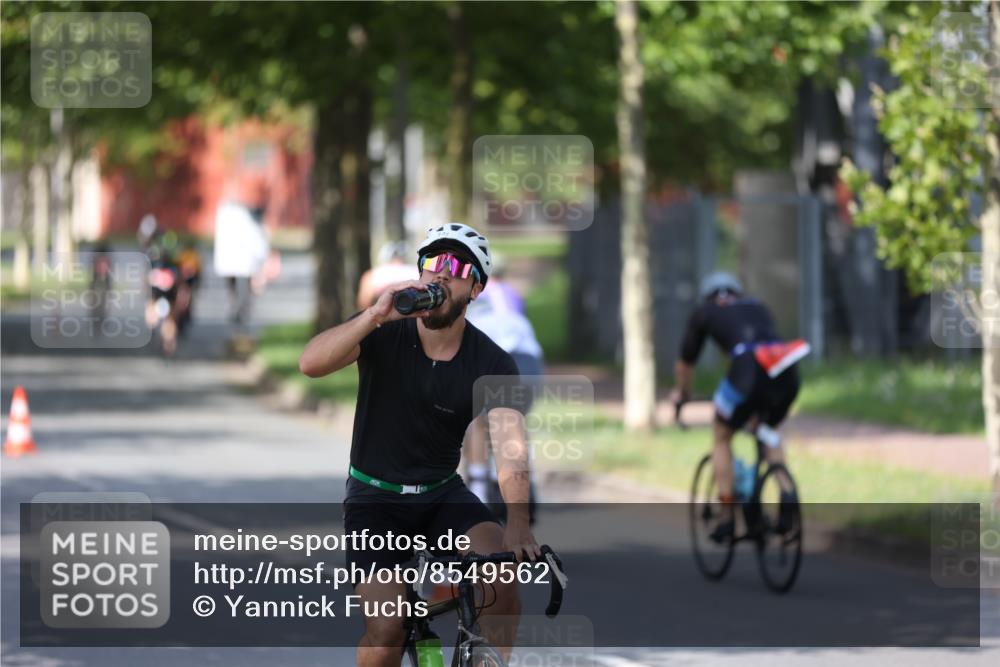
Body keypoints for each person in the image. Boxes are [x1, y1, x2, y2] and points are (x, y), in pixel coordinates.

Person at [299, 223, 537, 666]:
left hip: (441, 494)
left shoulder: (492, 361)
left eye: (457, 266)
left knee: (503, 582)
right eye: (432, 264)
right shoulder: (382, 331)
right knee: (388, 629)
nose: (441, 275)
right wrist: (372, 316)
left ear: (476, 288)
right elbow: (310, 363)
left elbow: (510, 447)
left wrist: (519, 521)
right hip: (376, 498)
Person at [668, 271, 809, 541]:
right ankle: (786, 493)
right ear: (737, 292)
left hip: (747, 371)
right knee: (770, 430)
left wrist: (682, 395)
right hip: (785, 368)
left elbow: (686, 364)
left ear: (708, 296)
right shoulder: (756, 305)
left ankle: (726, 518)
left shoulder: (704, 311)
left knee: (721, 436)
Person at [464, 256, 544, 517]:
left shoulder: (472, 292)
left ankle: (478, 487)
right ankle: (525, 485)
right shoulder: (513, 294)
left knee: (478, 419)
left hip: (495, 355)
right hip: (528, 358)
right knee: (515, 421)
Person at [356, 241, 419, 309]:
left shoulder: (373, 275)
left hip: (382, 315)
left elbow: (363, 303)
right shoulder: (415, 271)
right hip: (411, 313)